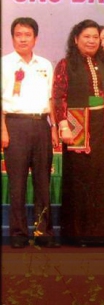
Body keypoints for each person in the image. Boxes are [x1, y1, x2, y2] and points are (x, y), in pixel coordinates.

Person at [53, 19, 104, 246]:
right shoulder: (66, 64)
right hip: (77, 127)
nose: (92, 41)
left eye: (95, 37)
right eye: (87, 37)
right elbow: (59, 96)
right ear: (76, 39)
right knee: (80, 180)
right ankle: (79, 235)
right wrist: (63, 125)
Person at [2, 17, 60, 248]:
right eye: (18, 35)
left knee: (42, 182)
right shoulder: (4, 64)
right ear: (12, 38)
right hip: (14, 125)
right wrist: (3, 129)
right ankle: (18, 233)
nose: (23, 39)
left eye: (27, 35)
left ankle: (42, 232)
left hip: (41, 125)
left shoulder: (45, 64)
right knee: (17, 183)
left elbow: (50, 99)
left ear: (35, 38)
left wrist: (53, 127)